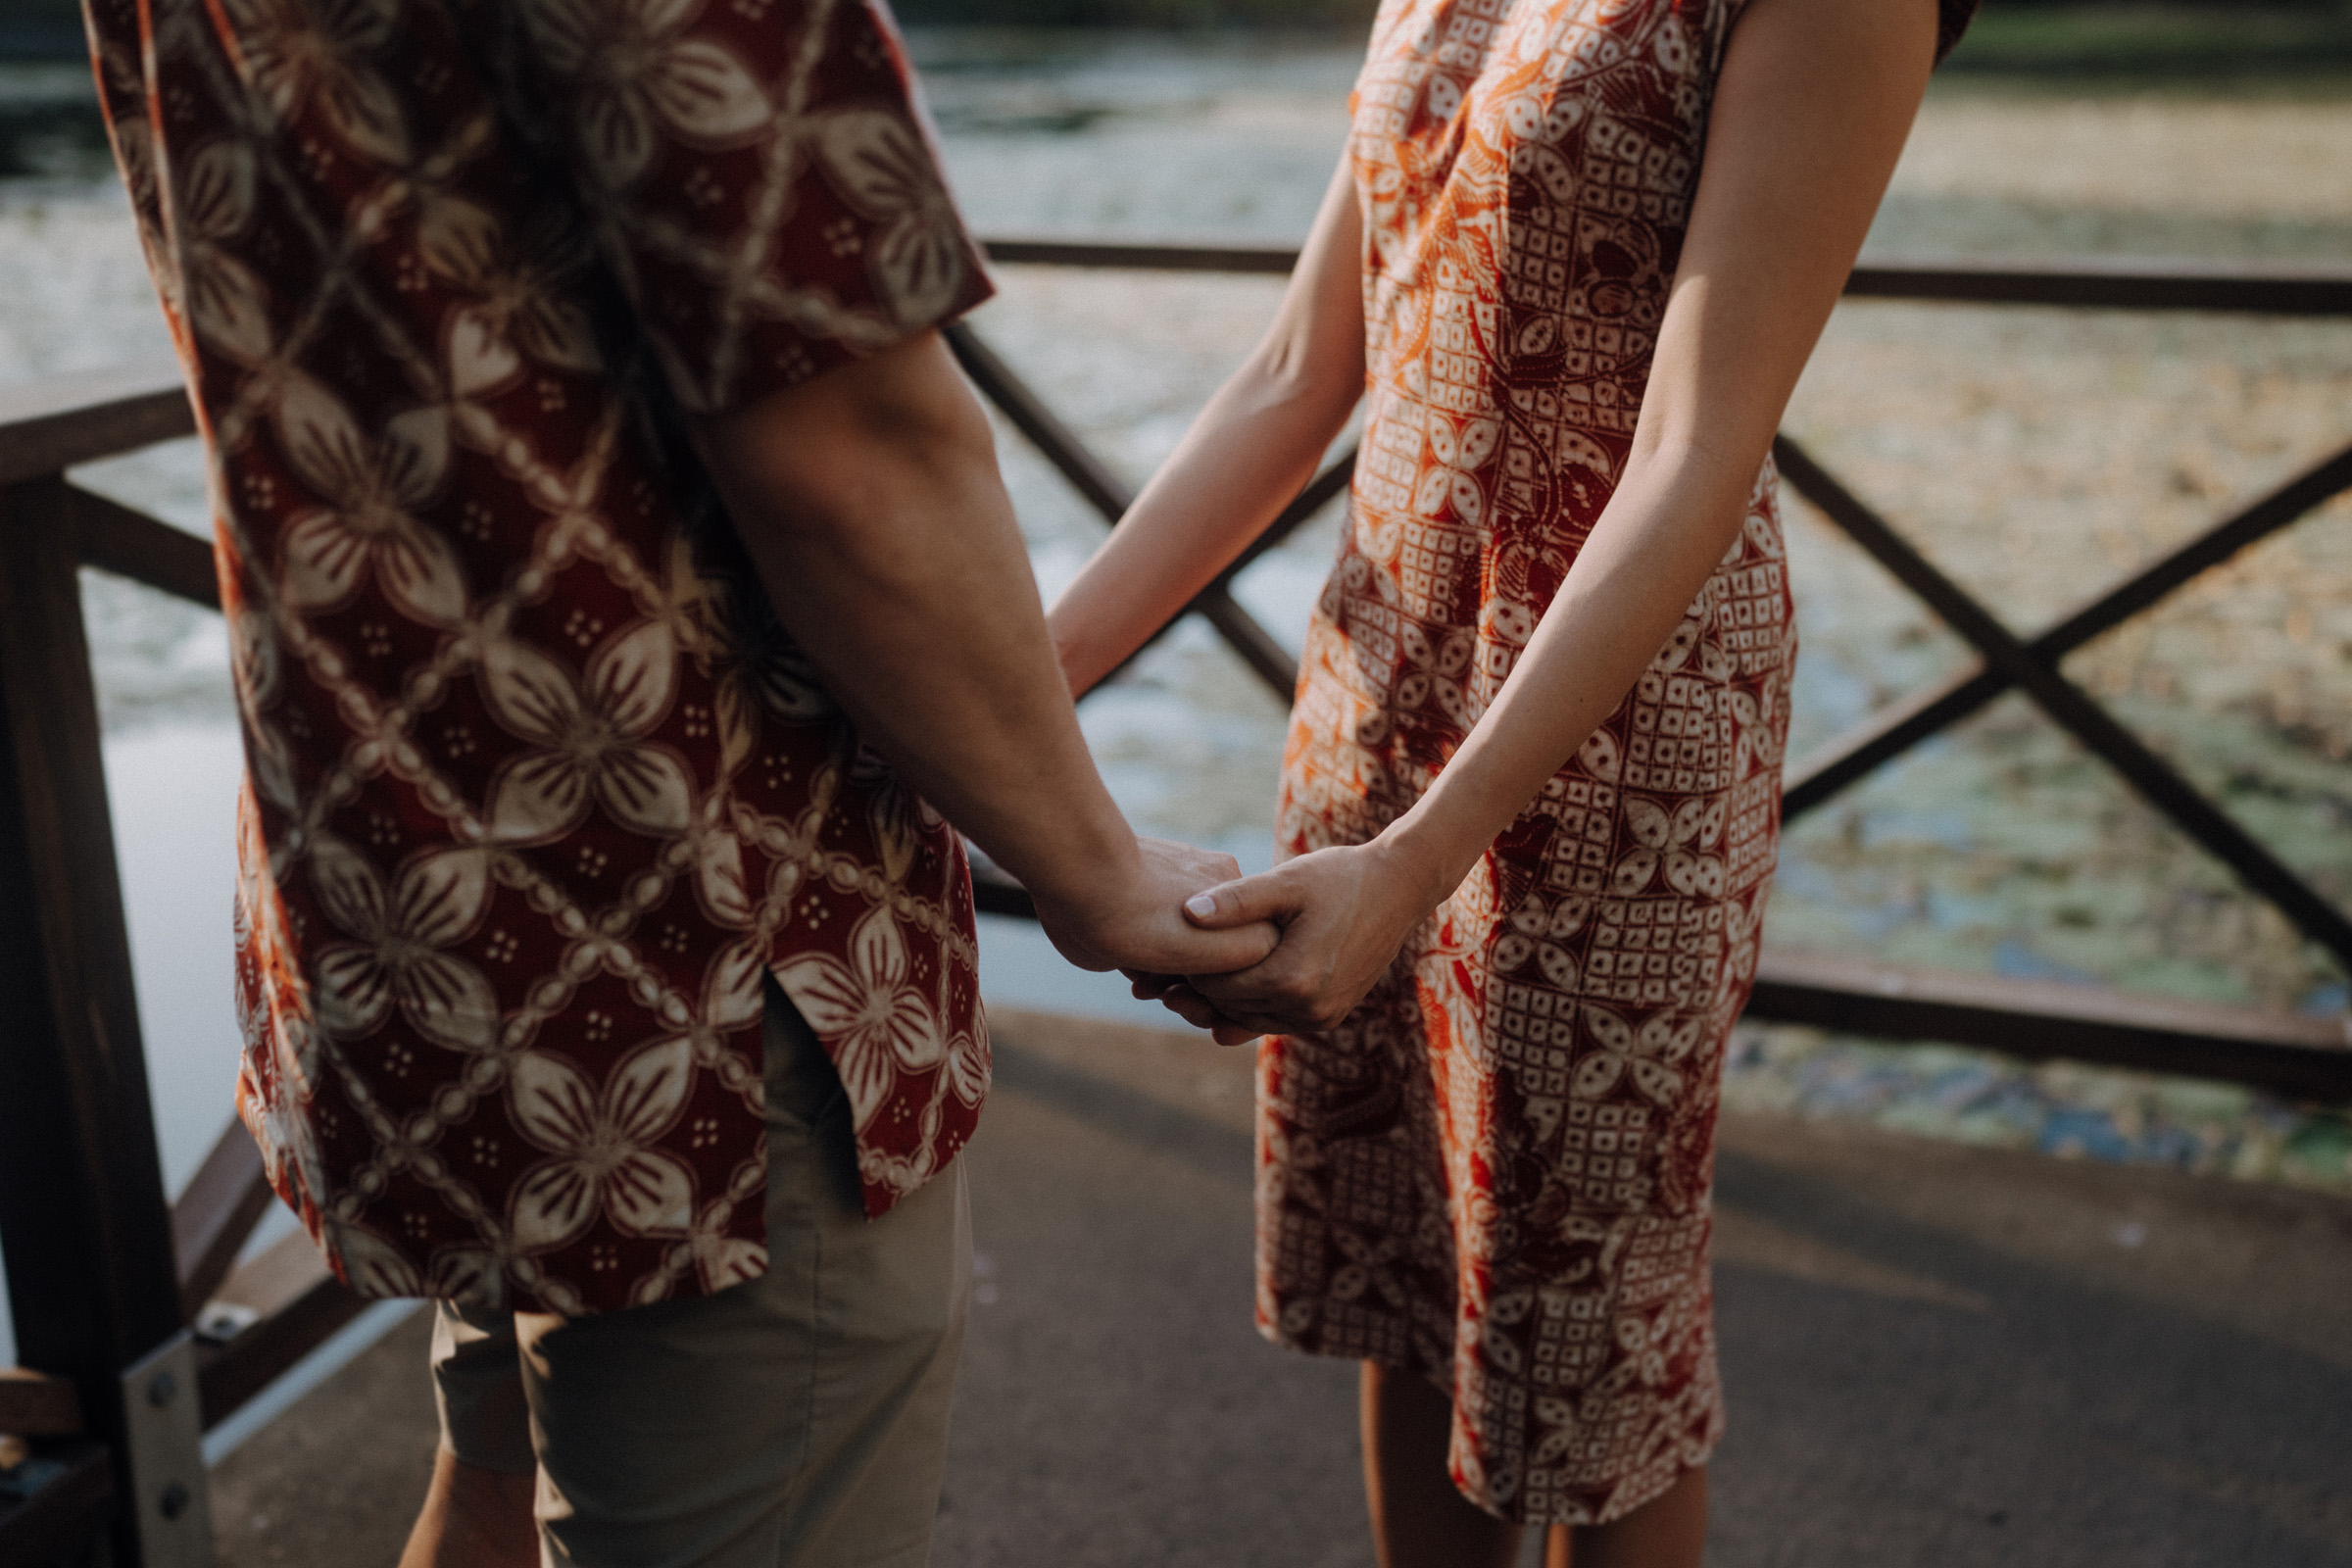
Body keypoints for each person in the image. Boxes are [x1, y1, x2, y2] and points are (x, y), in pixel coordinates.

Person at [76, 0, 1271, 1562]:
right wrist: (1096, 871)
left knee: (487, 1500)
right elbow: (849, 445)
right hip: (701, 964)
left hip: (420, 896)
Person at [1046, 0, 1979, 1562]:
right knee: (1410, 1274)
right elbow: (1293, 370)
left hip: (1617, 744)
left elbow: (1697, 440)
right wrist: (1003, 693)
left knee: (1591, 1346)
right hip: (1375, 680)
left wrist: (1417, 864)